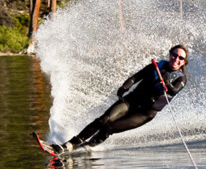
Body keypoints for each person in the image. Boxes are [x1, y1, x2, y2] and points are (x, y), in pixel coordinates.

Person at [52, 44, 190, 154]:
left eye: (180, 58)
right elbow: (135, 77)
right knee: (104, 119)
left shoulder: (181, 78)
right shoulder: (156, 67)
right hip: (131, 101)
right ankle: (71, 144)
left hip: (146, 113)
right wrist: (124, 87)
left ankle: (87, 146)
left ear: (184, 62)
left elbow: (174, 90)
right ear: (170, 54)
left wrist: (166, 81)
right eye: (174, 55)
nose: (176, 59)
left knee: (109, 128)